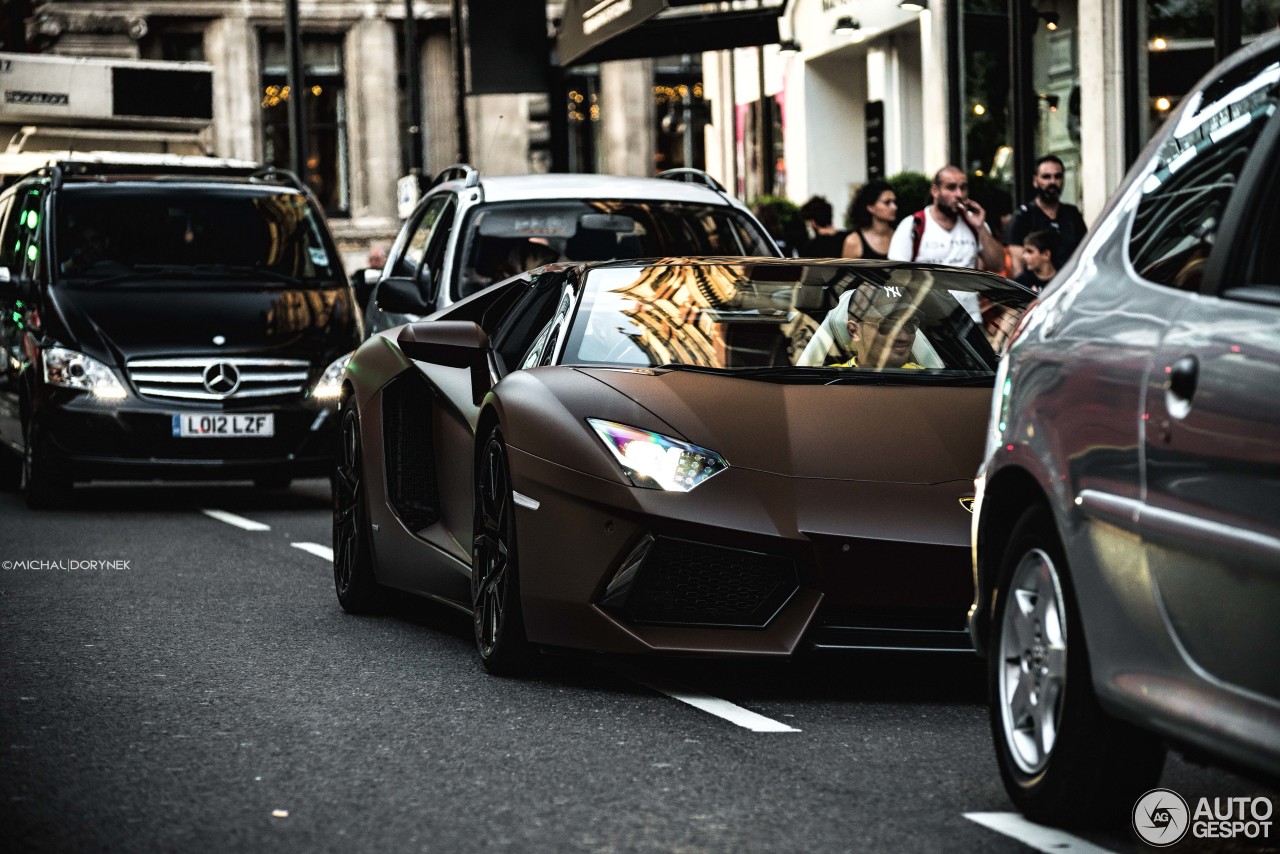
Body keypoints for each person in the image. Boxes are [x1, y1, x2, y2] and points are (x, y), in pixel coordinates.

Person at [887, 165, 1004, 272]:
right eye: (951, 187)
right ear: (935, 191)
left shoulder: (974, 223)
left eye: (963, 188)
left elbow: (998, 265)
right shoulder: (912, 225)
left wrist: (980, 227)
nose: (959, 194)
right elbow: (896, 275)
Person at [1004, 154, 1087, 277]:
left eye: (1057, 176)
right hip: (1037, 292)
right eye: (1046, 177)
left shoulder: (1072, 214)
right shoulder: (1022, 217)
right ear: (1035, 181)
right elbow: (1017, 266)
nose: (1052, 182)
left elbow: (1085, 254)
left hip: (1070, 287)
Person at [832, 283, 926, 370]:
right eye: (887, 324)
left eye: (909, 323)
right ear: (854, 331)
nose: (904, 337)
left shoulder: (928, 379)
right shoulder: (828, 379)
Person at [841, 180, 897, 261]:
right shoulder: (854, 241)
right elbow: (846, 272)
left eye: (894, 202)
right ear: (870, 207)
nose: (894, 207)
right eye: (887, 202)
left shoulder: (899, 236)